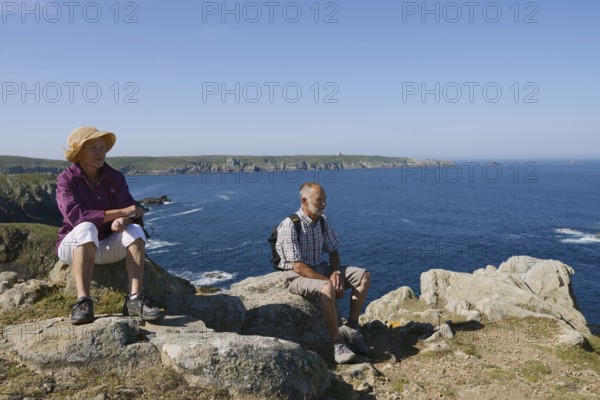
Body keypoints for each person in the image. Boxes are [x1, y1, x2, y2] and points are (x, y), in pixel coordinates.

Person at [56, 126, 164, 325]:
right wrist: (120, 212)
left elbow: (131, 208)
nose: (100, 153)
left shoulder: (115, 177)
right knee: (86, 227)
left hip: (105, 245)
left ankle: (134, 299)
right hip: (73, 247)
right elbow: (76, 217)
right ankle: (83, 301)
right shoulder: (66, 179)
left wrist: (125, 219)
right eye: (93, 148)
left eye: (102, 147)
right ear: (79, 152)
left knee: (136, 230)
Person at [275, 182, 371, 364]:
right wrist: (331, 281)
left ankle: (351, 327)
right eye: (319, 200)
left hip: (319, 268)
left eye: (325, 199)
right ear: (304, 201)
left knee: (363, 275)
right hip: (296, 276)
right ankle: (337, 343)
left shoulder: (322, 221)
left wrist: (335, 271)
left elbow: (333, 250)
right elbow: (298, 267)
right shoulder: (289, 225)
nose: (324, 203)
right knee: (328, 288)